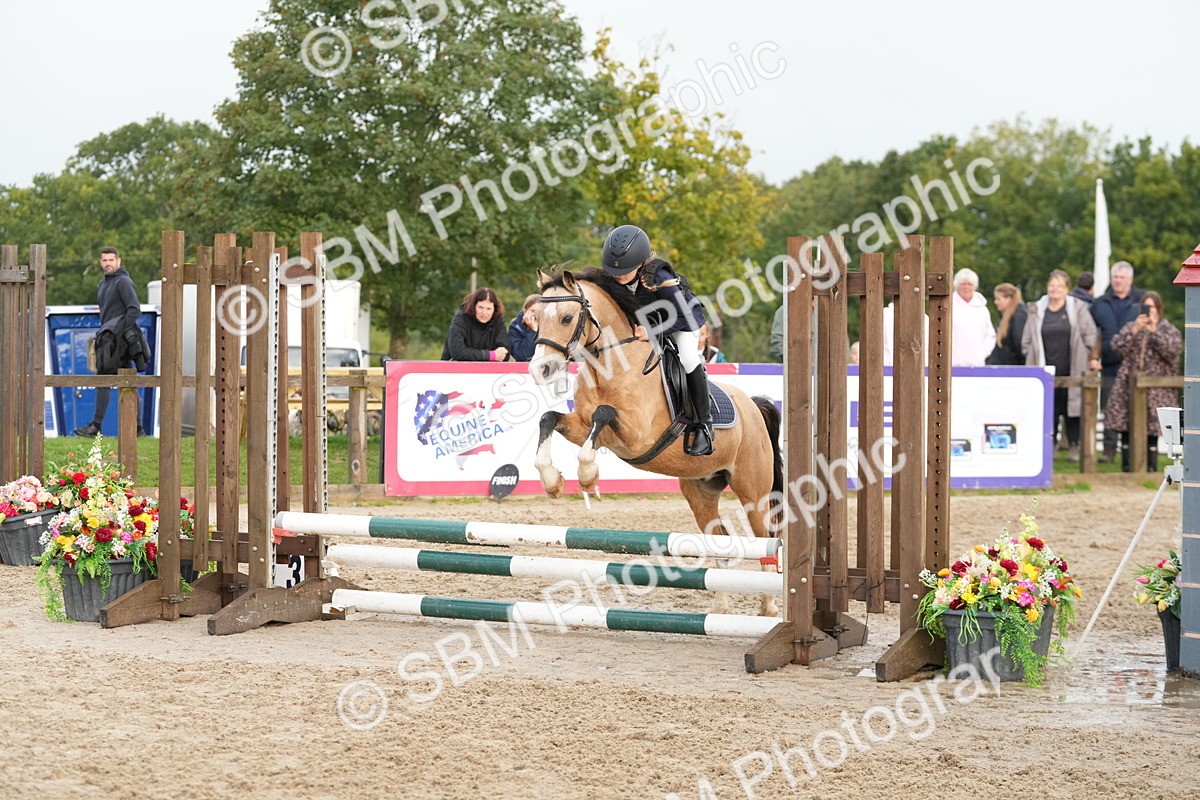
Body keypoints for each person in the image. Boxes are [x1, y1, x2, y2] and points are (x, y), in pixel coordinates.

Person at [601, 224, 714, 456]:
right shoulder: (615, 277)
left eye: (626, 269)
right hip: (648, 323)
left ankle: (704, 425)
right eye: (615, 270)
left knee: (689, 358)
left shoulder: (660, 277)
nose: (619, 275)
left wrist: (652, 332)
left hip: (682, 321)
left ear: (641, 262)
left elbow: (682, 317)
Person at [1021, 269, 1098, 462]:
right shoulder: (1037, 309)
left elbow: (1090, 335)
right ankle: (1051, 445)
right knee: (1049, 409)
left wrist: (1086, 353)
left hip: (1072, 367)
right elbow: (1027, 339)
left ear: (1066, 289)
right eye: (1052, 285)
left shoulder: (1078, 308)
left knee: (1072, 409)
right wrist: (1029, 353)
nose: (1055, 289)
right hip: (1044, 370)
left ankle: (1073, 445)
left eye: (1059, 285)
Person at [1102, 291, 1181, 473]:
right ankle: (1127, 467)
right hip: (1128, 387)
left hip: (1156, 389)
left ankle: (1151, 468)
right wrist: (1134, 330)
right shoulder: (1132, 327)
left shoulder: (1167, 329)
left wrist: (1154, 332)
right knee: (1126, 426)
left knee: (1152, 430)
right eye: (1145, 306)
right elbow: (1116, 348)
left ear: (1159, 308)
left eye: (1151, 307)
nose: (1149, 311)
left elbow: (1172, 352)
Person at [74, 247, 147, 437]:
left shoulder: (123, 281)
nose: (108, 264)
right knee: (128, 381)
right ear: (100, 263)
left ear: (119, 261)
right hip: (110, 339)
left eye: (111, 260)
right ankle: (138, 429)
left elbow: (134, 310)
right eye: (104, 260)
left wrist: (118, 336)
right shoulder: (102, 284)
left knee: (103, 378)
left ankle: (95, 426)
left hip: (118, 341)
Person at [1091, 261, 1146, 462]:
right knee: (1110, 408)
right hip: (1109, 364)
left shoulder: (1141, 300)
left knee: (1134, 407)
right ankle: (1108, 450)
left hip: (1134, 365)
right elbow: (1093, 334)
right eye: (1115, 277)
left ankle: (1132, 450)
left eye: (1122, 277)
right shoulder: (1100, 303)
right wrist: (1093, 357)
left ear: (1130, 279)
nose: (1118, 281)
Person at [441, 287, 511, 362]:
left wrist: (499, 354)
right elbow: (457, 352)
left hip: (487, 371)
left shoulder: (498, 321)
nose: (484, 313)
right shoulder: (460, 319)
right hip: (455, 370)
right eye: (480, 307)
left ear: (494, 309)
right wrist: (491, 355)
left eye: (488, 309)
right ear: (474, 306)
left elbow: (504, 353)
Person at [951, 268, 996, 367]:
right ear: (957, 286)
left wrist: (982, 354)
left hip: (977, 363)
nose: (966, 287)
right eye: (963, 284)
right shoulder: (949, 306)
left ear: (974, 287)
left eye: (969, 284)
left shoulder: (982, 309)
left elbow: (990, 335)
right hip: (952, 363)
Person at [986, 283, 1027, 365]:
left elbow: (1019, 344)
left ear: (1009, 298)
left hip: (1012, 367)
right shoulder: (1004, 316)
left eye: (998, 299)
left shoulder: (1019, 316)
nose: (995, 302)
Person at [508, 294, 540, 362]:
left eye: (539, 311)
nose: (536, 315)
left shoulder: (550, 327)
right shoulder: (515, 327)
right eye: (533, 311)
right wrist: (533, 331)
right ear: (525, 311)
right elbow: (522, 356)